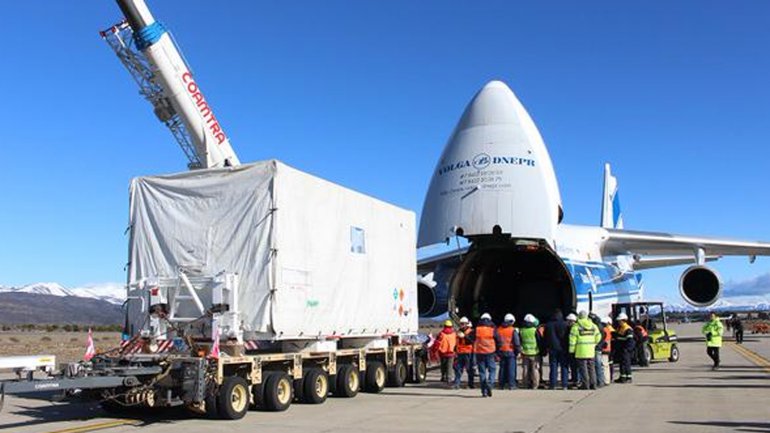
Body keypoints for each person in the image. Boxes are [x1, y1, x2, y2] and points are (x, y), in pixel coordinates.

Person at [569, 311, 601, 389]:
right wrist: (593, 344)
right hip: (591, 351)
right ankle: (593, 384)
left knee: (583, 369)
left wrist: (571, 351)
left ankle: (585, 385)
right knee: (591, 368)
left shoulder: (576, 327)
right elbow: (598, 336)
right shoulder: (593, 326)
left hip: (581, 351)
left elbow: (572, 341)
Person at [471, 312, 501, 397]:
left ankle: (484, 392)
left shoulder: (477, 329)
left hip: (480, 353)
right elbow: (499, 341)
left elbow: (470, 338)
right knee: (492, 370)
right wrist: (497, 351)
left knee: (482, 372)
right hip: (490, 352)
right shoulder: (492, 329)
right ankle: (490, 384)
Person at [544, 309, 569, 390]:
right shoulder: (565, 324)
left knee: (553, 366)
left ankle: (553, 384)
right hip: (563, 348)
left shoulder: (548, 325)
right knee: (564, 366)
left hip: (552, 348)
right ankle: (564, 384)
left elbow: (545, 337)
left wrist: (546, 347)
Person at [497, 313, 520, 390]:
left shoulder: (499, 329)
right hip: (510, 351)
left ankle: (501, 385)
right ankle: (512, 385)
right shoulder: (512, 330)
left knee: (502, 368)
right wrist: (518, 351)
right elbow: (516, 342)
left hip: (501, 351)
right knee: (511, 369)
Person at [520, 314, 543, 389]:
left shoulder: (522, 330)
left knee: (525, 369)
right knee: (535, 369)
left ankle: (525, 384)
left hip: (525, 352)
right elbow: (539, 341)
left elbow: (520, 341)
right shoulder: (535, 330)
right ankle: (535, 385)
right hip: (535, 353)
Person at [453, 317, 475, 389]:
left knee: (469, 369)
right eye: (461, 324)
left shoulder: (471, 331)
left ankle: (471, 384)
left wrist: (464, 336)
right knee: (458, 369)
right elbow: (457, 342)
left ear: (466, 324)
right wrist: (455, 350)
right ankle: (457, 384)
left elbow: (472, 341)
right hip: (460, 353)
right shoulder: (459, 331)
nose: (461, 325)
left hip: (468, 353)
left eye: (463, 324)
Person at [614, 312, 635, 383]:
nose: (618, 322)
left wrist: (627, 349)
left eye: (619, 321)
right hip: (621, 348)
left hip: (626, 349)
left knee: (626, 363)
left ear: (623, 320)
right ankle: (622, 377)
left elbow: (630, 340)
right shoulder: (620, 328)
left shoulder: (628, 329)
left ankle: (628, 377)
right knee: (622, 363)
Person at [434, 320, 457, 385]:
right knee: (449, 366)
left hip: (443, 352)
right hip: (451, 352)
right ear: (451, 326)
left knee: (443, 365)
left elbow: (437, 342)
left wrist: (435, 350)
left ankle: (443, 377)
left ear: (444, 326)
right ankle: (449, 379)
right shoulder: (454, 334)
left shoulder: (441, 334)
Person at [589, 313, 606, 387]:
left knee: (596, 365)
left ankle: (599, 381)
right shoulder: (600, 326)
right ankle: (600, 380)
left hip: (596, 347)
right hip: (599, 347)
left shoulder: (596, 327)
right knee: (598, 365)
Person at [565, 313, 579, 386]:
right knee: (573, 366)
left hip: (574, 350)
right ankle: (574, 378)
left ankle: (576, 379)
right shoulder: (571, 327)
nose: (567, 322)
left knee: (575, 366)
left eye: (568, 321)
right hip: (574, 349)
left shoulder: (573, 328)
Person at [600, 317, 614, 384]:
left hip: (604, 349)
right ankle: (607, 379)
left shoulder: (604, 330)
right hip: (608, 349)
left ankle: (605, 380)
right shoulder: (608, 330)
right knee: (607, 366)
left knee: (604, 365)